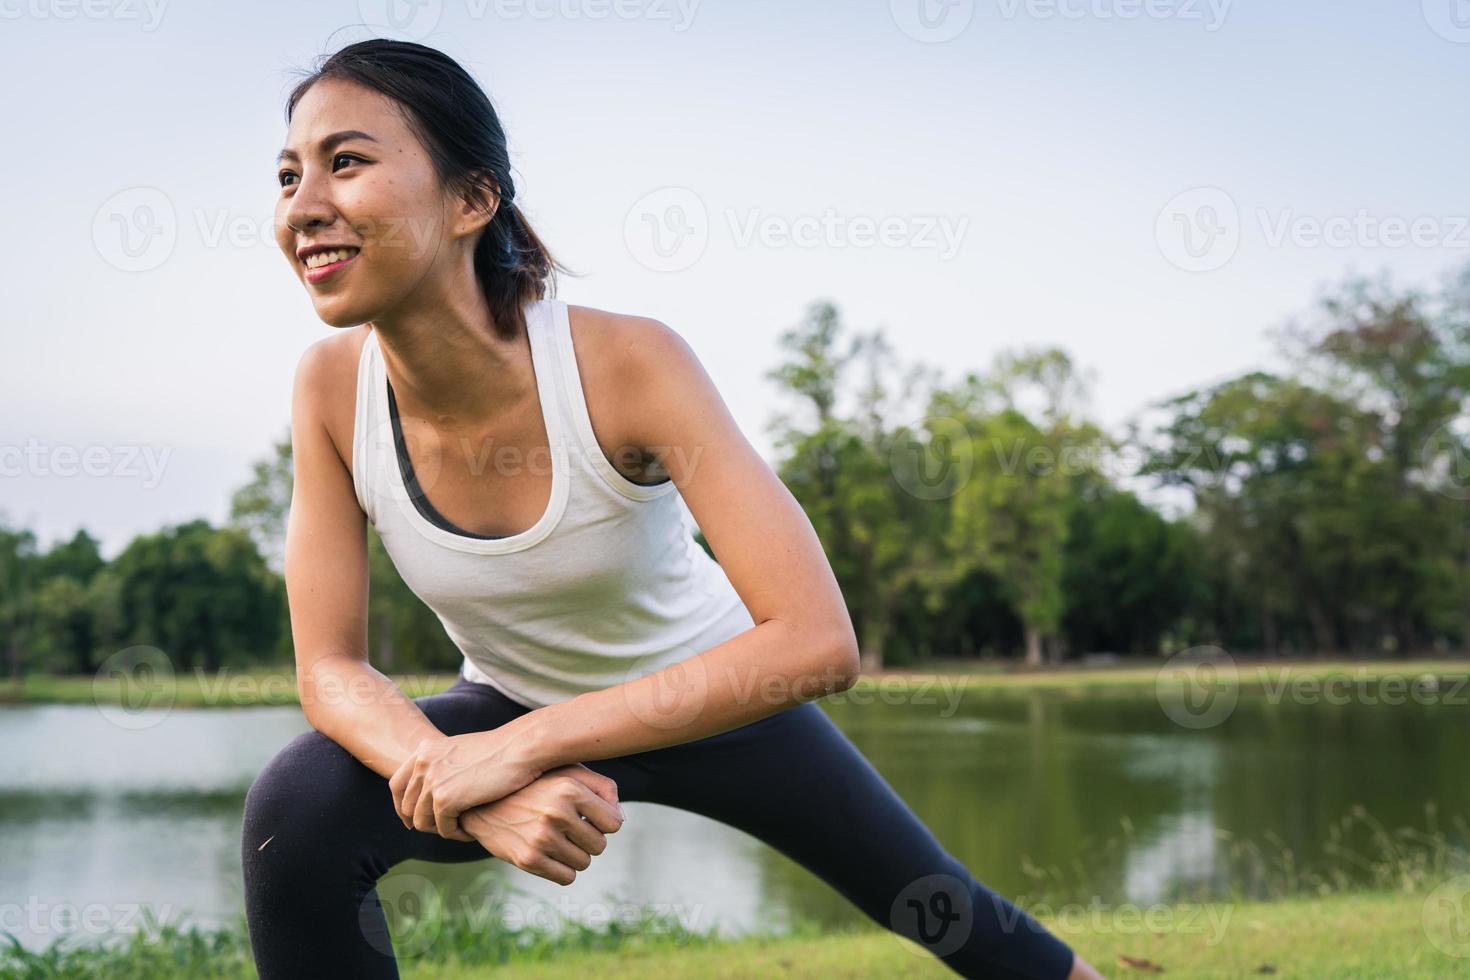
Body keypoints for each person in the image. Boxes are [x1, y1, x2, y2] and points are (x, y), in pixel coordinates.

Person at [240, 38, 1103, 980]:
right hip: (509, 699)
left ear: (471, 200)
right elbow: (329, 668)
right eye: (288, 175)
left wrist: (524, 746)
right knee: (300, 806)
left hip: (714, 700)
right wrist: (462, 779)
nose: (303, 206)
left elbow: (817, 639)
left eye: (347, 161)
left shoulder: (627, 364)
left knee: (947, 914)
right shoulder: (330, 389)